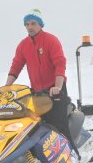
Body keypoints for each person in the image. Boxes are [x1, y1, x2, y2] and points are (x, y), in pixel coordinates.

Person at [5, 8, 75, 151]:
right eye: (27, 24)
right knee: (37, 125)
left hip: (55, 89)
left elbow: (60, 63)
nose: (29, 27)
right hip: (37, 93)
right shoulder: (23, 45)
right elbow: (16, 65)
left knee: (58, 124)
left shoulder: (51, 40)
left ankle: (72, 155)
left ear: (40, 25)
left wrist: (57, 86)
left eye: (33, 23)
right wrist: (6, 87)